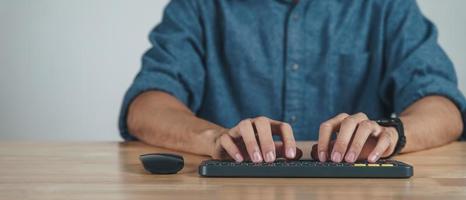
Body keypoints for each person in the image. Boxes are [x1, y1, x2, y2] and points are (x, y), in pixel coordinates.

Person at [119, 0, 466, 164]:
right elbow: (147, 106)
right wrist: (214, 138)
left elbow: (443, 106)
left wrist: (391, 134)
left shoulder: (388, 6)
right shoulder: (198, 6)